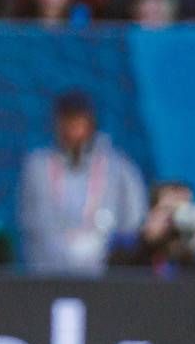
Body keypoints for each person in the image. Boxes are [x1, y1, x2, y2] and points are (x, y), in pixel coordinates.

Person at [17, 91, 148, 274]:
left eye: (78, 121)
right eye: (67, 121)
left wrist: (102, 252)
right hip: (49, 276)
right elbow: (32, 225)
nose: (72, 129)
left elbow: (133, 225)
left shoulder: (120, 169)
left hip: (105, 278)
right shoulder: (37, 167)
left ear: (90, 123)